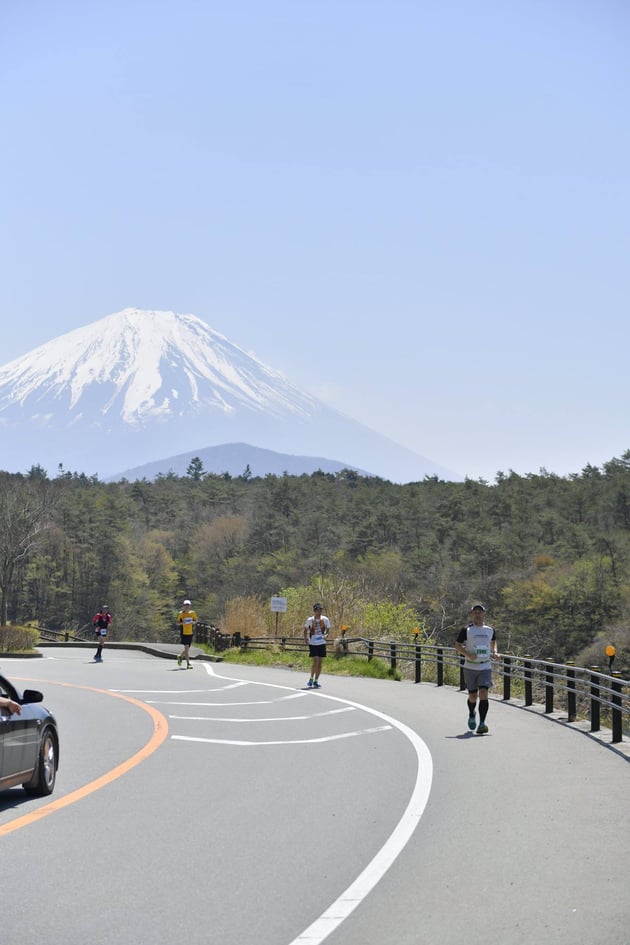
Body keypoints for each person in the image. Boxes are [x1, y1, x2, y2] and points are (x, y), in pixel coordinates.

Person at [455, 604, 498, 734]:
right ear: (471, 614)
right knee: (473, 695)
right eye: (475, 612)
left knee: (484, 693)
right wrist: (468, 655)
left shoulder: (490, 630)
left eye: (480, 612)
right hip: (470, 666)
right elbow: (457, 645)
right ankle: (471, 713)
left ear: (484, 614)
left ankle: (482, 723)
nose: (477, 614)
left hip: (485, 666)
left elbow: (493, 642)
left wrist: (495, 652)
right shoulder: (466, 630)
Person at [303, 602, 330, 689]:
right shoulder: (310, 620)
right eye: (317, 610)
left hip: (322, 642)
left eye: (320, 610)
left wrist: (327, 635)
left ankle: (316, 680)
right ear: (314, 611)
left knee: (320, 662)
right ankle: (311, 678)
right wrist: (306, 638)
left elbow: (328, 629)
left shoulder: (325, 619)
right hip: (313, 642)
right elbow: (305, 629)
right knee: (316, 661)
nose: (319, 612)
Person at [177, 599, 198, 668]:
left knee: (187, 649)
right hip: (184, 633)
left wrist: (193, 622)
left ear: (190, 606)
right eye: (185, 605)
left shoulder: (193, 613)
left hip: (190, 633)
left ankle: (180, 657)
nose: (187, 606)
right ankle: (188, 664)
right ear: (183, 606)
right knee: (186, 648)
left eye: (188, 605)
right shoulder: (181, 614)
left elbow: (196, 620)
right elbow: (177, 623)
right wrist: (182, 623)